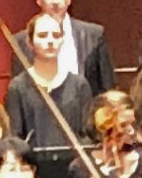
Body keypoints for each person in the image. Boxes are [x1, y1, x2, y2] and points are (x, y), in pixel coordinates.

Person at [10, 0, 116, 95]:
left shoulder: (94, 35)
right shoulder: (21, 41)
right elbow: (18, 92)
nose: (55, 1)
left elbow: (108, 88)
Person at [5, 13, 92, 147]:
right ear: (30, 42)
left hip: (73, 163)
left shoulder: (79, 85)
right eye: (43, 35)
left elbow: (86, 134)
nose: (50, 41)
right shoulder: (18, 87)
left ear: (62, 40)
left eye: (56, 35)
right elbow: (15, 136)